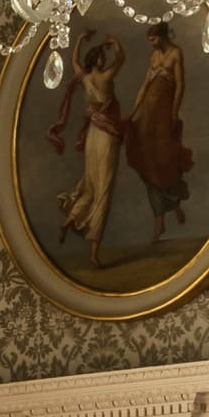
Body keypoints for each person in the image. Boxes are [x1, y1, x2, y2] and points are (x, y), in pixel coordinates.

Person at [49, 33, 126, 259]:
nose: (104, 59)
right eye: (102, 56)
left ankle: (69, 220)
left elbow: (74, 62)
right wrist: (116, 44)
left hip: (93, 134)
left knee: (90, 184)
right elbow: (121, 60)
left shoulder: (84, 79)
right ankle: (94, 253)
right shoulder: (105, 78)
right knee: (103, 191)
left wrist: (80, 39)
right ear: (98, 60)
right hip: (106, 136)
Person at [125, 22, 195, 241]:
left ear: (162, 36)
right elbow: (144, 87)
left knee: (166, 159)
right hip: (148, 114)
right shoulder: (154, 58)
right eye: (150, 40)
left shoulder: (175, 54)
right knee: (149, 160)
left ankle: (175, 205)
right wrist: (133, 112)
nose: (152, 43)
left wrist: (174, 112)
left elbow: (181, 85)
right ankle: (159, 219)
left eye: (154, 39)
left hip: (164, 114)